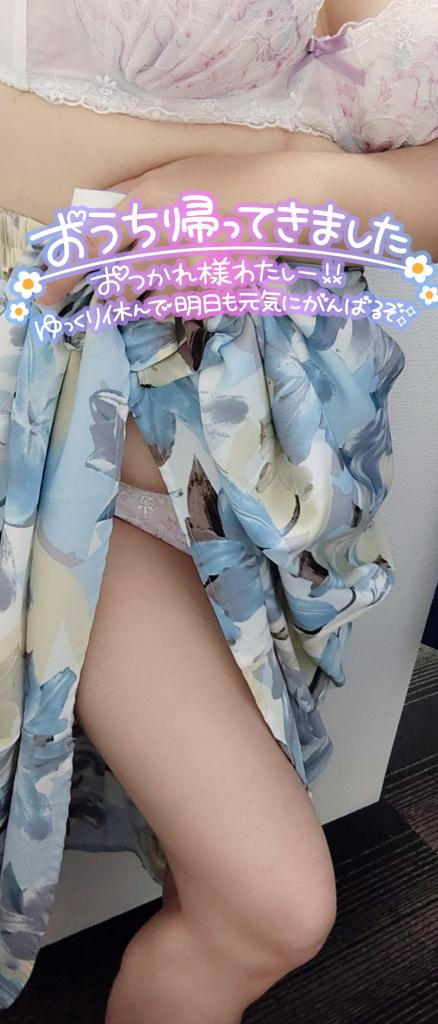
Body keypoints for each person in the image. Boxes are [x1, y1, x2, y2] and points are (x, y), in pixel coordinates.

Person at [0, 1, 436, 1020]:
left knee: (251, 907)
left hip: (270, 451)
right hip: (41, 409)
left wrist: (293, 182)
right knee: (269, 902)